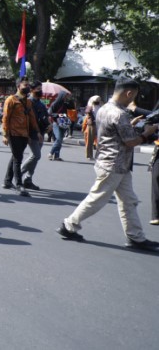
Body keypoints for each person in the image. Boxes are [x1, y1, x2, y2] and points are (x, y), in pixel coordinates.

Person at [56, 79, 159, 251]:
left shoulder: (104, 109)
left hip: (114, 163)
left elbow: (114, 132)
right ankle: (68, 225)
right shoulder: (119, 114)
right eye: (133, 96)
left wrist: (131, 125)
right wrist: (146, 133)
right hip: (114, 164)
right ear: (129, 93)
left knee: (129, 201)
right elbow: (130, 141)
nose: (132, 100)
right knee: (96, 199)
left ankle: (136, 237)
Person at [1, 77, 41, 197]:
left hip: (24, 134)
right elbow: (5, 118)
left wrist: (37, 132)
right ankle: (19, 184)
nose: (28, 87)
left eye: (28, 85)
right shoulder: (11, 100)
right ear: (18, 86)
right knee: (18, 159)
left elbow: (32, 118)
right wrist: (5, 134)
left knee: (15, 156)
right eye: (25, 85)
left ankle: (7, 181)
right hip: (13, 133)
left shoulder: (28, 102)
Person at [21, 81, 51, 191]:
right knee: (36, 155)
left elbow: (45, 117)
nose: (40, 90)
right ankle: (18, 174)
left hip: (41, 133)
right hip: (32, 133)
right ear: (32, 89)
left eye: (41, 88)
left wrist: (49, 124)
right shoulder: (28, 102)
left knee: (34, 158)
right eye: (38, 88)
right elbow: (28, 119)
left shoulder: (41, 103)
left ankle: (28, 179)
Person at [47, 91, 72, 161]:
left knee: (59, 140)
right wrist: (61, 115)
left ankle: (57, 156)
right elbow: (50, 113)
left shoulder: (65, 104)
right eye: (65, 96)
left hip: (63, 124)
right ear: (61, 96)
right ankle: (51, 153)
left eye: (66, 96)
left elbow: (72, 108)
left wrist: (70, 100)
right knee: (59, 139)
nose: (66, 98)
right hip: (56, 123)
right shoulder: (55, 104)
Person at [83, 95, 102, 160]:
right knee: (90, 140)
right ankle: (89, 155)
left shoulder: (100, 106)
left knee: (100, 141)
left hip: (99, 124)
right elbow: (87, 113)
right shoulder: (90, 106)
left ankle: (99, 155)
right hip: (92, 124)